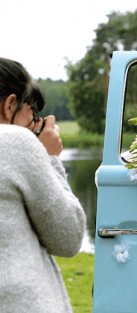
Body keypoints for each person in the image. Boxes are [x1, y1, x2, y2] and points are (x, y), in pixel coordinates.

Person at [0, 58, 86, 313]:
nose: (36, 122)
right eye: (32, 111)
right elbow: (68, 238)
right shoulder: (15, 142)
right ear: (9, 104)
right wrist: (48, 157)